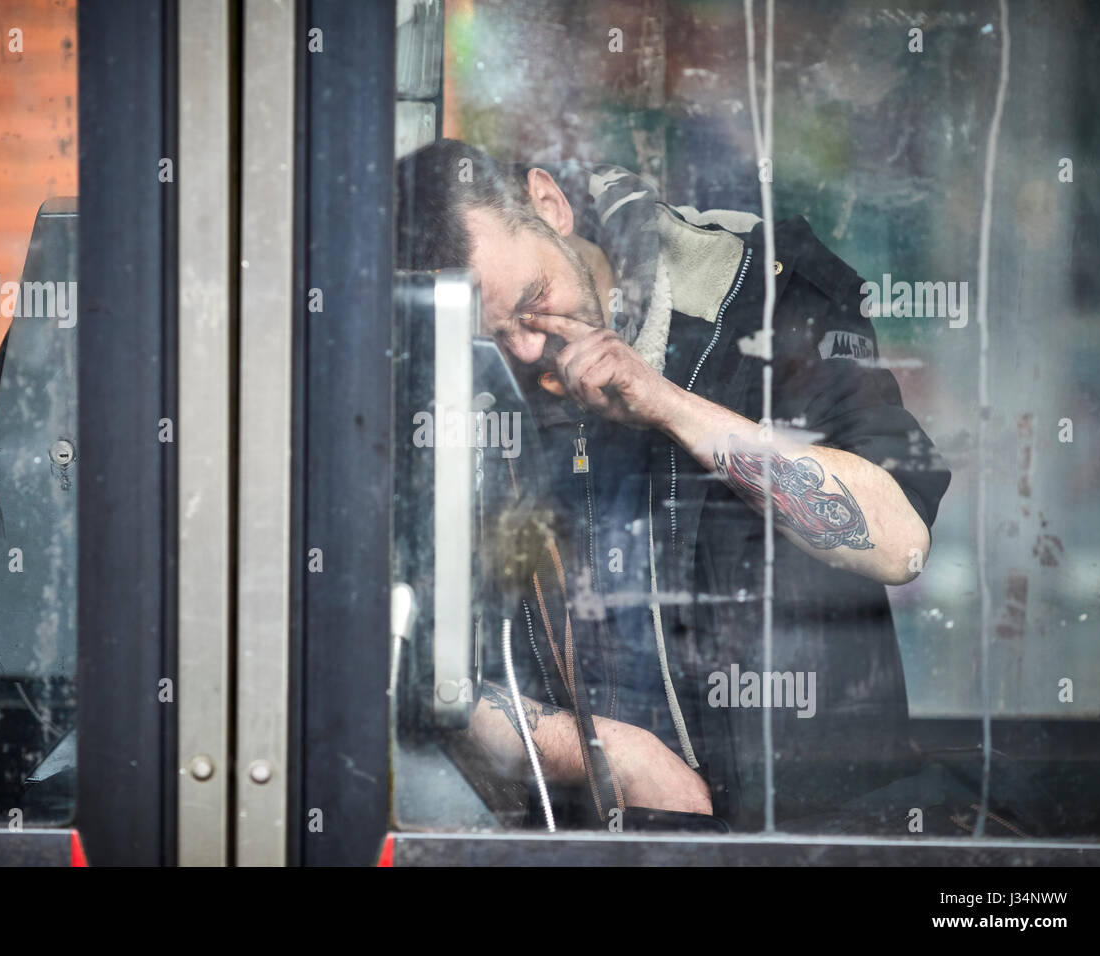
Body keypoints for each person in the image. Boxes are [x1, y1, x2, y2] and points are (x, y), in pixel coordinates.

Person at [397, 139, 951, 831]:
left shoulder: (763, 301)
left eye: (535, 301)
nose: (529, 350)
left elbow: (899, 542)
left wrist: (666, 404)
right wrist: (603, 755)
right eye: (497, 337)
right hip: (596, 835)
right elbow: (425, 665)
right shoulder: (456, 390)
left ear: (549, 203)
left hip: (812, 831)